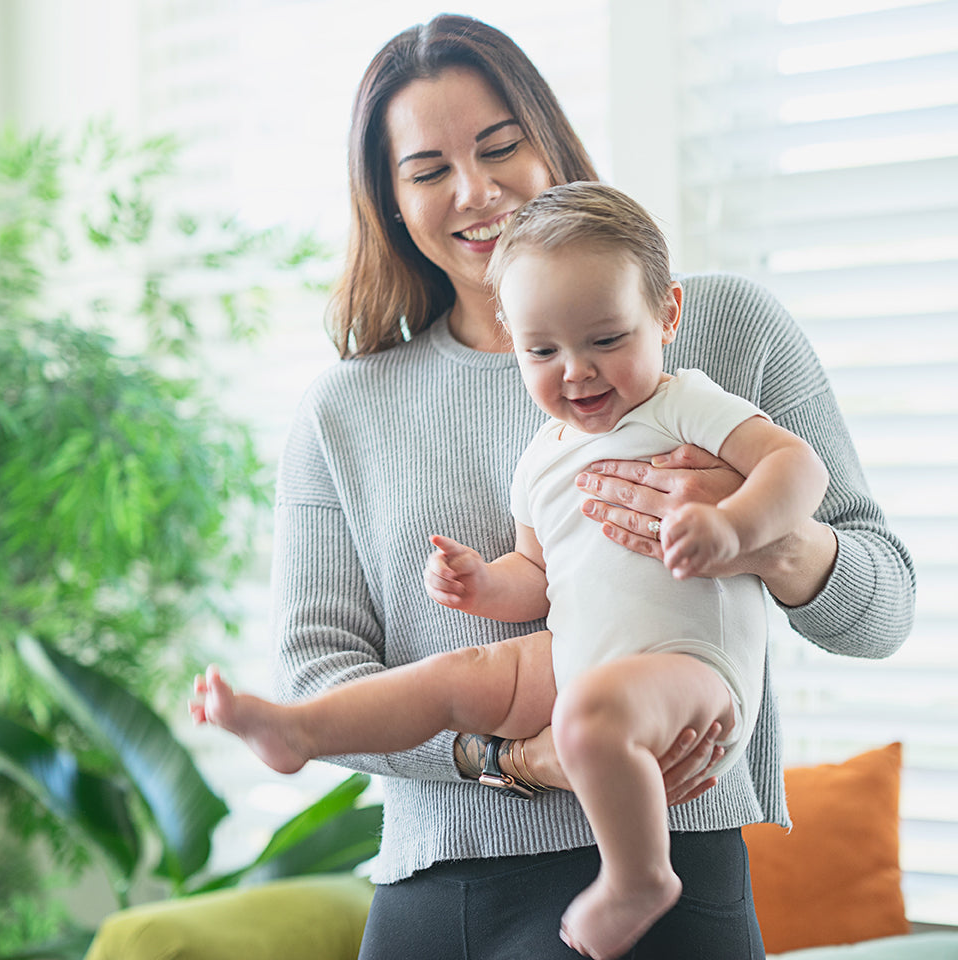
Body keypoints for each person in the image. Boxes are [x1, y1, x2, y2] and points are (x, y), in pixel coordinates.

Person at [198, 15, 915, 960]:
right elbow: (323, 675)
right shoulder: (347, 409)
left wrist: (767, 537)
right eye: (427, 170)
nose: (475, 191)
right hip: (431, 892)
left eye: (502, 146)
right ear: (390, 202)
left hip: (669, 876)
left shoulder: (718, 336)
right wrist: (509, 760)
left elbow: (883, 609)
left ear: (552, 138)